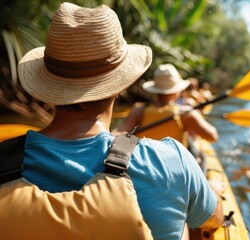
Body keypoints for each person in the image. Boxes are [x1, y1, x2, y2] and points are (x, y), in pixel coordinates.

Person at [0, 3, 223, 239]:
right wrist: (214, 192)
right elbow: (214, 218)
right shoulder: (172, 159)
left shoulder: (5, 161)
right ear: (120, 84)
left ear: (47, 85)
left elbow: (120, 130)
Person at [113, 63, 219, 145]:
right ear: (177, 90)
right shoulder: (187, 113)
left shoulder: (138, 110)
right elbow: (213, 136)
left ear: (155, 89)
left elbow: (117, 133)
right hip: (171, 170)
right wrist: (195, 115)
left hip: (143, 165)